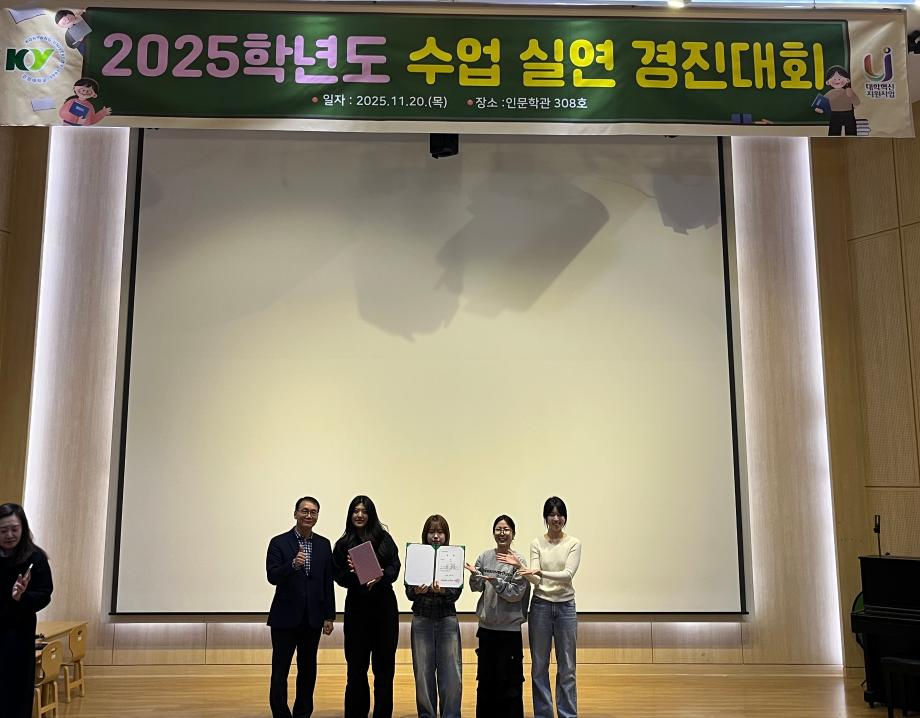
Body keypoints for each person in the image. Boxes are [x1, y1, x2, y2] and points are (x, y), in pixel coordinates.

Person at [266, 496, 335, 718]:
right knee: (280, 670)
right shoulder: (278, 542)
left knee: (308, 670)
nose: (309, 515)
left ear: (317, 516)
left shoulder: (324, 544)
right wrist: (292, 565)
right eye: (304, 511)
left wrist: (329, 616)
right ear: (295, 513)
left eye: (313, 512)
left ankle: (303, 713)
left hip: (312, 618)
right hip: (284, 618)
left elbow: (327, 582)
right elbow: (272, 576)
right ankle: (280, 714)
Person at [333, 496, 401, 718]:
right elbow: (338, 575)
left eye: (364, 511)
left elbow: (395, 567)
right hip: (357, 611)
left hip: (384, 610)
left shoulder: (384, 538)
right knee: (356, 669)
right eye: (355, 511)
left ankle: (382, 714)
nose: (359, 515)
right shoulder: (343, 544)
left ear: (371, 515)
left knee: (384, 670)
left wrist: (381, 575)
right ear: (350, 514)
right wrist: (355, 575)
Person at [519, 497, 582, 718]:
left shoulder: (573, 543)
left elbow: (567, 575)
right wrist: (523, 570)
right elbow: (535, 579)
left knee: (567, 666)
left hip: (566, 607)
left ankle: (567, 714)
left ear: (565, 517)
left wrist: (540, 573)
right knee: (539, 666)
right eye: (552, 514)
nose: (556, 519)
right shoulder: (537, 543)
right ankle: (543, 714)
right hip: (540, 606)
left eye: (560, 514)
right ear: (545, 517)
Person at [466, 514, 530, 718]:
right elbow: (476, 587)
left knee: (510, 682)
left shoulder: (519, 561)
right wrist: (475, 576)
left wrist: (496, 582)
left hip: (509, 631)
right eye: (498, 529)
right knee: (486, 681)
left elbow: (515, 594)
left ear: (513, 534)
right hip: (487, 629)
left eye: (506, 529)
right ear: (493, 533)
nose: (502, 533)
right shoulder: (485, 557)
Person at [406, 514, 462, 718]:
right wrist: (417, 591)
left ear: (446, 535)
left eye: (440, 532)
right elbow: (409, 591)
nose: (436, 536)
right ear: (425, 534)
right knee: (423, 672)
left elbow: (456, 593)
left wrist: (443, 590)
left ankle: (451, 714)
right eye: (431, 532)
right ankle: (427, 714)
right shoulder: (416, 555)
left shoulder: (453, 556)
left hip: (447, 619)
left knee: (452, 672)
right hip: (422, 618)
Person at [0, 503, 53, 718]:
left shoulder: (35, 557)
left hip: (18, 635)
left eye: (14, 529)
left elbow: (45, 594)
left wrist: (21, 598)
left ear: (23, 528)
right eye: (3, 530)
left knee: (16, 690)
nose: (9, 535)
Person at [815, 65, 860, 137]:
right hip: (835, 115)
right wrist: (820, 109)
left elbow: (857, 102)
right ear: (828, 82)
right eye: (834, 79)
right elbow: (822, 102)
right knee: (834, 133)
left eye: (839, 78)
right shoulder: (830, 93)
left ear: (847, 80)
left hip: (848, 114)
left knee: (851, 133)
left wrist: (852, 95)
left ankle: (852, 141)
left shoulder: (848, 91)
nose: (837, 80)